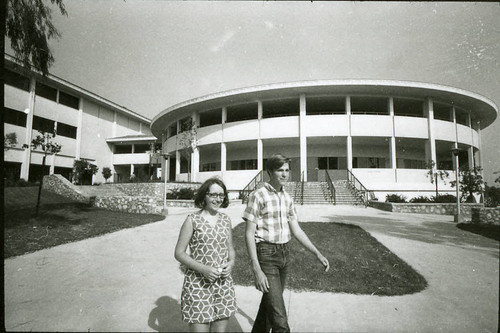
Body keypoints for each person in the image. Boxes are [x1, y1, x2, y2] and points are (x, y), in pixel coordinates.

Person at [243, 154, 330, 333]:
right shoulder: (258, 195)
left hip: (284, 255)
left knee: (270, 308)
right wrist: (256, 269)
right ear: (269, 172)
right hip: (266, 255)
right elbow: (249, 233)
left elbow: (296, 230)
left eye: (287, 170)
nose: (284, 174)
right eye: (279, 170)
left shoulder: (287, 198)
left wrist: (317, 253)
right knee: (280, 321)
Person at [174, 177, 236, 332]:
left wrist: (231, 263)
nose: (218, 199)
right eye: (213, 195)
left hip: (222, 284)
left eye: (221, 195)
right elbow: (179, 253)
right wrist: (203, 269)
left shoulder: (225, 220)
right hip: (197, 285)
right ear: (204, 196)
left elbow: (230, 250)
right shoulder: (192, 220)